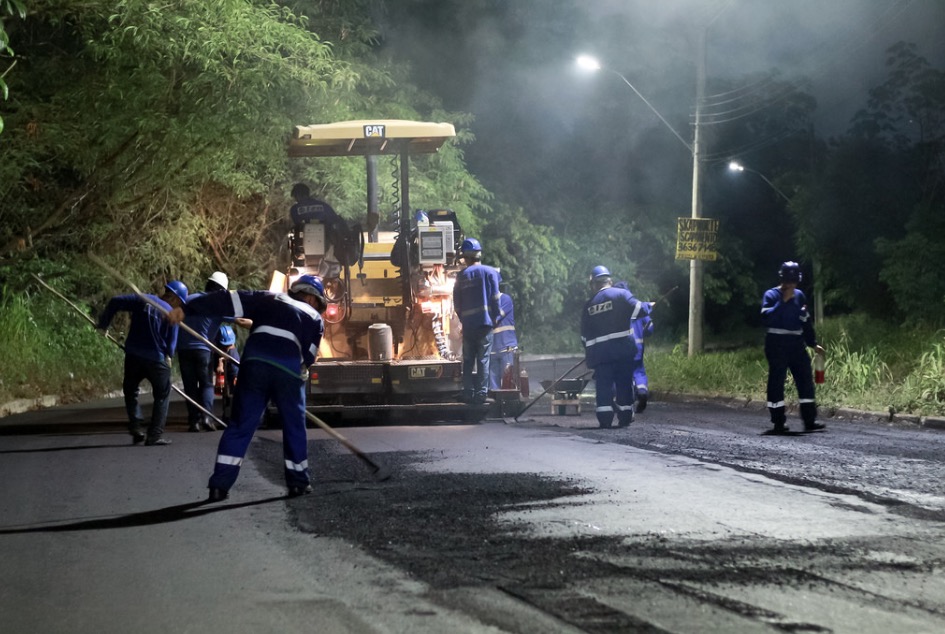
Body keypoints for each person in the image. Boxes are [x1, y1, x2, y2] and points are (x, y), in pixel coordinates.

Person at [166, 275, 327, 501]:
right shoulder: (314, 318)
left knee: (241, 425)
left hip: (254, 366)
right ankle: (298, 483)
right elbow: (309, 355)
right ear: (311, 297)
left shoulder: (267, 298)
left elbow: (225, 300)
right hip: (288, 372)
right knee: (294, 426)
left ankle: (219, 486)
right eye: (319, 304)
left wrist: (186, 309)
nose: (318, 308)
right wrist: (300, 372)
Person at [97, 280, 188, 446]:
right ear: (175, 298)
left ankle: (136, 426)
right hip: (157, 360)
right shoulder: (172, 313)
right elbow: (171, 344)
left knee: (131, 391)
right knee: (162, 395)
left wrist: (104, 324)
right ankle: (154, 435)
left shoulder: (144, 299)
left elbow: (115, 301)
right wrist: (168, 356)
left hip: (133, 356)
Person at [761, 261, 826, 434]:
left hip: (796, 345)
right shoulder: (771, 295)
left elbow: (805, 321)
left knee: (805, 381)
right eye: (789, 282)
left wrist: (813, 343)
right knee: (777, 381)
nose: (792, 285)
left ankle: (810, 420)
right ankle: (778, 422)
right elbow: (766, 318)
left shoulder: (800, 296)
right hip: (776, 344)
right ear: (782, 279)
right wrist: (783, 301)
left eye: (794, 282)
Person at [581, 266, 643, 429]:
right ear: (610, 280)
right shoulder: (621, 295)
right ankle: (625, 416)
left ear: (593, 284)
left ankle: (605, 418)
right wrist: (649, 306)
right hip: (623, 351)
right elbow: (639, 310)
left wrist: (590, 352)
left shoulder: (589, 306)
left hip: (601, 355)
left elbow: (584, 336)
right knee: (624, 383)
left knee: (603, 386)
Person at [452, 237, 503, 405]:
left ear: (465, 257)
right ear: (479, 255)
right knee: (483, 361)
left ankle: (467, 393)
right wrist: (497, 317)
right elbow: (496, 298)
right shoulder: (490, 273)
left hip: (469, 327)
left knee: (467, 361)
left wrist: (463, 320)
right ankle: (481, 395)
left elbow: (457, 304)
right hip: (485, 325)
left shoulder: (461, 276)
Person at [177, 271, 229, 433]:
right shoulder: (218, 306)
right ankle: (206, 417)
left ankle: (194, 422)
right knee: (206, 383)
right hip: (203, 349)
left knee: (190, 386)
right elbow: (240, 320)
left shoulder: (188, 299)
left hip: (183, 348)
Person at [614, 281, 654, 412]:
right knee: (638, 371)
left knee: (621, 373)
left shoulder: (615, 310)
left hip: (622, 348)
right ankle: (642, 390)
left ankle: (625, 400)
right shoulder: (639, 307)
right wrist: (645, 331)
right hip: (638, 348)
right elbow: (650, 329)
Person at [489, 291, 518, 390]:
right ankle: (496, 404)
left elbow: (496, 318)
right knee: (493, 388)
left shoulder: (505, 299)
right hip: (492, 349)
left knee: (509, 382)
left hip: (507, 348)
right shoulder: (486, 303)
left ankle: (508, 404)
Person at [213, 323, 240, 423]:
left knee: (231, 398)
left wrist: (220, 365)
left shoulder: (231, 354)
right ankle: (229, 415)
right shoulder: (231, 352)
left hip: (233, 378)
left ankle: (230, 416)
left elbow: (223, 370)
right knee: (229, 398)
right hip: (231, 378)